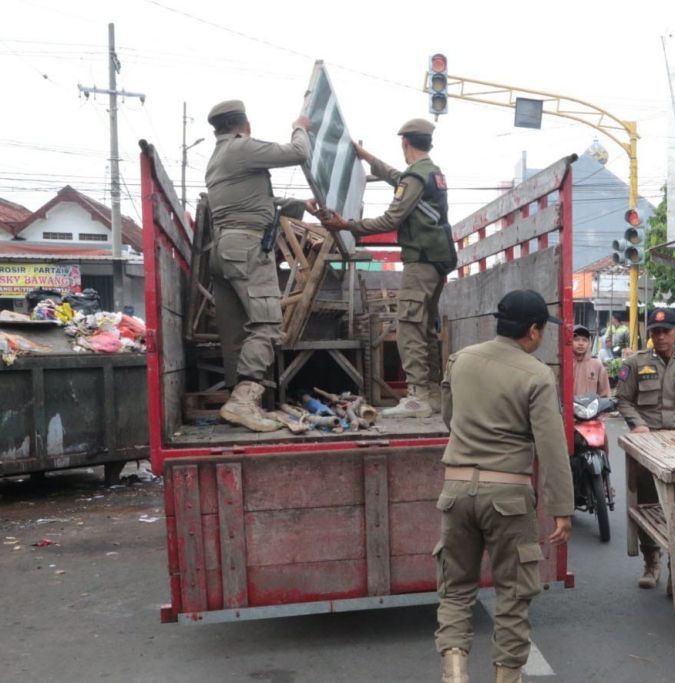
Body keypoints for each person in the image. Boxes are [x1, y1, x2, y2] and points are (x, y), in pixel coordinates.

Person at [434, 289, 573, 683]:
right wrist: (562, 508)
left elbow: (450, 418)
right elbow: (551, 447)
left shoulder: (460, 361)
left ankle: (455, 675)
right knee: (513, 595)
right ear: (532, 331)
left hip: (456, 491)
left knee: (456, 590)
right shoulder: (536, 374)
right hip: (508, 497)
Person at [313, 118, 457, 419]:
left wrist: (348, 225)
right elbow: (397, 176)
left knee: (409, 326)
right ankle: (431, 392)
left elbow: (391, 219)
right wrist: (367, 158)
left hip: (421, 259)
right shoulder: (430, 173)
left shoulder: (416, 177)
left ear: (405, 143)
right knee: (425, 327)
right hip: (436, 260)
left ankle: (417, 396)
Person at [205, 100, 311, 431]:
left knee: (237, 332)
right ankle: (243, 401)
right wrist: (300, 128)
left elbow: (251, 201)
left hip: (223, 249)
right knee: (266, 324)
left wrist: (297, 204)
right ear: (244, 124)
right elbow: (298, 153)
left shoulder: (218, 157)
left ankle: (241, 406)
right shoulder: (242, 148)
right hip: (247, 248)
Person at [616, 307, 675, 595]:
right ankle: (650, 562)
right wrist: (638, 425)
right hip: (648, 444)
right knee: (647, 504)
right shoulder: (636, 363)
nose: (660, 337)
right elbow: (623, 399)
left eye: (666, 331)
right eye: (655, 332)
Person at [572, 325, 610, 397]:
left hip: (591, 408)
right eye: (576, 339)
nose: (581, 343)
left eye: (584, 340)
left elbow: (605, 394)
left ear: (589, 343)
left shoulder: (597, 365)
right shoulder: (565, 365)